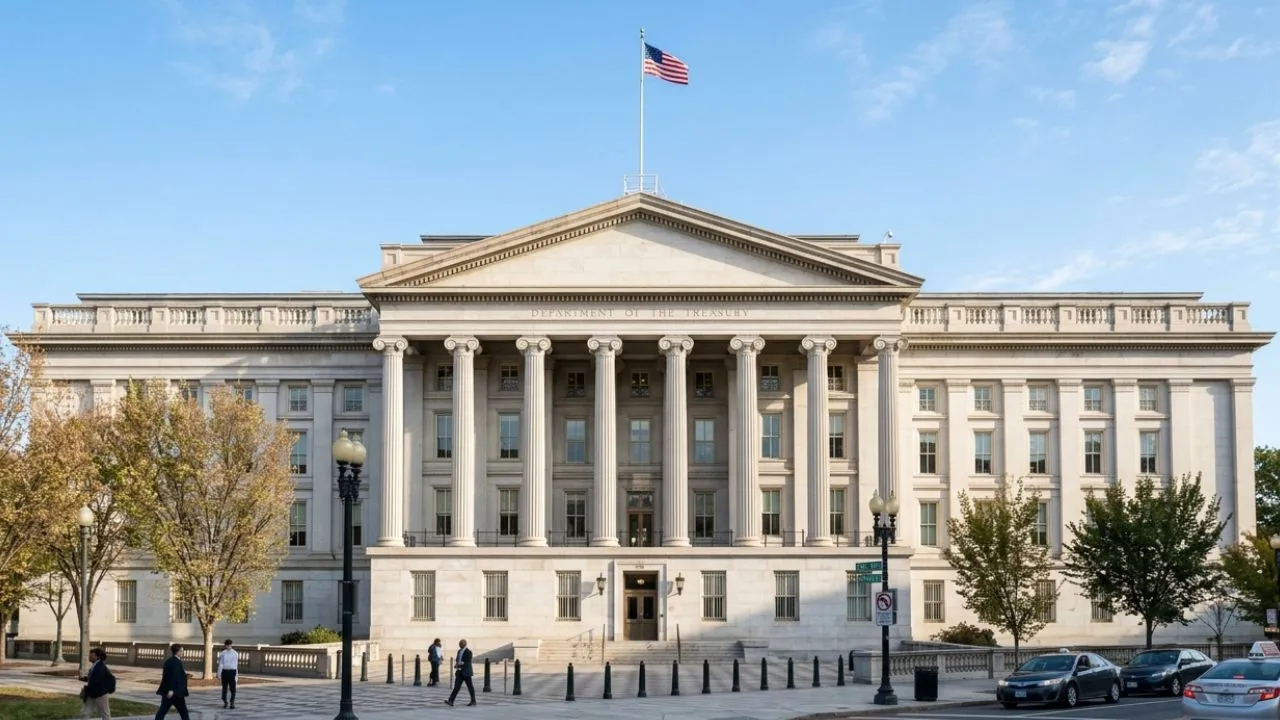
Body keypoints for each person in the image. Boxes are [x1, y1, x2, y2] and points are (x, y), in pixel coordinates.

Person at [154, 643, 191, 720]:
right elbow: (174, 677)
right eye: (181, 651)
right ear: (177, 652)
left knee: (162, 711)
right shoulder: (177, 663)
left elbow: (168, 676)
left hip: (167, 691)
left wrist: (185, 675)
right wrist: (172, 690)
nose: (182, 653)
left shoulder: (168, 661)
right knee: (184, 712)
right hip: (175, 693)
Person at [80, 647, 115, 719]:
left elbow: (96, 680)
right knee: (85, 712)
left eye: (91, 655)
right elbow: (94, 678)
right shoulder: (95, 666)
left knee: (105, 714)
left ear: (97, 657)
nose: (89, 656)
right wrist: (84, 678)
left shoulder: (100, 666)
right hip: (93, 693)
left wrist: (85, 689)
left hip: (100, 694)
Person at [444, 639, 475, 707]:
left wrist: (459, 664)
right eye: (459, 643)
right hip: (460, 672)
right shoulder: (459, 651)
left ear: (464, 644)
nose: (460, 645)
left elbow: (467, 662)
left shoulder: (468, 652)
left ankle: (473, 701)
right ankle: (451, 701)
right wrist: (456, 665)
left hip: (466, 672)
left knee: (470, 687)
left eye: (461, 643)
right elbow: (458, 660)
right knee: (456, 687)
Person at [217, 638, 239, 709]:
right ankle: (225, 701)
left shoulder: (235, 653)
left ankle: (232, 702)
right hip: (225, 672)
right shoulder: (223, 653)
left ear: (231, 645)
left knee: (233, 688)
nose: (228, 647)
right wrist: (218, 674)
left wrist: (236, 676)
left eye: (229, 645)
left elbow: (236, 665)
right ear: (225, 646)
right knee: (224, 688)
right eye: (227, 645)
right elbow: (221, 664)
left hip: (232, 671)